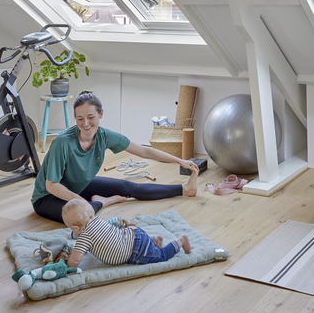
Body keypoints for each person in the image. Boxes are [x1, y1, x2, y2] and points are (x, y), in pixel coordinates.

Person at [31, 90, 201, 222]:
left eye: (91, 117)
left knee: (128, 187)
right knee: (82, 215)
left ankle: (184, 189)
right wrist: (81, 202)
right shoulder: (62, 142)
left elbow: (145, 151)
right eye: (80, 119)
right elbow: (52, 185)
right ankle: (102, 202)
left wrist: (180, 161)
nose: (86, 124)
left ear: (101, 114)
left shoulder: (105, 136)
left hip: (79, 186)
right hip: (47, 197)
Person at [60, 199, 191, 267]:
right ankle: (154, 241)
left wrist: (66, 263)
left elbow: (75, 261)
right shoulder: (97, 220)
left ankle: (181, 241)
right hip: (133, 234)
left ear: (76, 228)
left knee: (160, 257)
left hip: (134, 251)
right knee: (132, 240)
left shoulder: (84, 237)